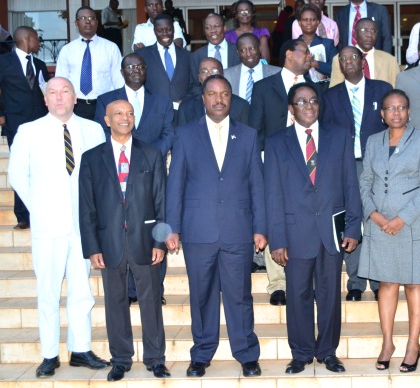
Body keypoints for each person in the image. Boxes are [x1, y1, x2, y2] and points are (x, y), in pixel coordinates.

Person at [8, 77, 109, 378]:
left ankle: (81, 349)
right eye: (53, 92)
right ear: (45, 99)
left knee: (81, 291)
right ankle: (49, 354)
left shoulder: (92, 130)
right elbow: (17, 176)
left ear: (75, 97)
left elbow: (102, 176)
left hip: (84, 227)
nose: (59, 97)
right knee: (48, 291)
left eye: (65, 91)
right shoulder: (28, 132)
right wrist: (39, 208)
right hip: (47, 225)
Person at [166, 74, 266, 378]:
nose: (219, 99)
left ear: (231, 98)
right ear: (203, 99)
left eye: (224, 94)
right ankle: (202, 354)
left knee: (240, 294)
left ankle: (246, 353)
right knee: (201, 295)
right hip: (198, 230)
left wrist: (260, 227)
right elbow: (176, 184)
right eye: (212, 94)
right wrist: (172, 227)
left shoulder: (248, 135)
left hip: (238, 229)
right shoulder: (184, 134)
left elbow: (257, 185)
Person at [264, 82, 362, 374]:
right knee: (298, 295)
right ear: (291, 109)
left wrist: (354, 228)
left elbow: (350, 185)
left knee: (330, 295)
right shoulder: (276, 142)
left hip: (331, 233)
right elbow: (273, 194)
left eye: (313, 101)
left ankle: (328, 351)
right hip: (294, 234)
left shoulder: (339, 137)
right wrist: (277, 239)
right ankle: (302, 352)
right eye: (301, 102)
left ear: (319, 105)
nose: (308, 106)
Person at [79, 100, 168, 382]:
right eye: (118, 113)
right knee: (115, 303)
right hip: (109, 243)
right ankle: (120, 359)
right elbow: (87, 207)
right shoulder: (92, 158)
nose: (125, 118)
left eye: (130, 113)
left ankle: (155, 359)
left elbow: (161, 203)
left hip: (145, 242)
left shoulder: (152, 154)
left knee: (151, 301)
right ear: (107, 120)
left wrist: (160, 242)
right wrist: (92, 247)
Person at [358, 89, 420, 372]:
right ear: (382, 114)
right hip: (380, 224)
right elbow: (365, 180)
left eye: (401, 107)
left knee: (414, 283)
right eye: (390, 108)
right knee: (388, 283)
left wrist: (401, 218)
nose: (396, 112)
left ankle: (413, 345)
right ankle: (387, 343)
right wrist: (375, 215)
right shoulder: (373, 141)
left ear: (408, 111)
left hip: (414, 223)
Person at [321, 46, 392, 301]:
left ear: (362, 61)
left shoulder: (382, 89)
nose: (348, 61)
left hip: (377, 166)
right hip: (345, 166)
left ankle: (378, 278)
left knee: (375, 220)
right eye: (343, 59)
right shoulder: (329, 96)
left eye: (353, 57)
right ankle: (356, 281)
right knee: (351, 220)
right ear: (339, 64)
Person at [249, 40, 316, 306]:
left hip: (309, 160)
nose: (310, 56)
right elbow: (256, 129)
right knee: (274, 214)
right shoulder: (264, 87)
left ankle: (305, 278)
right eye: (305, 51)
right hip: (273, 161)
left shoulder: (314, 86)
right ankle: (278, 283)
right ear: (289, 54)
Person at [0, 26, 50, 230]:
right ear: (28, 39)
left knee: (40, 168)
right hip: (16, 123)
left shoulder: (38, 63)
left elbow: (45, 90)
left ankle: (41, 211)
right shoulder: (4, 62)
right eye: (37, 39)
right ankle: (23, 215)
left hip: (40, 123)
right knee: (21, 169)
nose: (39, 44)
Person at [56, 6, 124, 120]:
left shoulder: (111, 48)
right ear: (76, 23)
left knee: (103, 137)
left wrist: (120, 105)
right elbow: (61, 81)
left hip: (104, 105)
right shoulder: (67, 50)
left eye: (91, 18)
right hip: (76, 106)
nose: (88, 21)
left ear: (97, 22)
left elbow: (118, 79)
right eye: (83, 18)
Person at [136, 14, 193, 116]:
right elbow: (138, 85)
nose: (165, 33)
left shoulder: (187, 56)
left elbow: (194, 85)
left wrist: (185, 101)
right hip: (154, 114)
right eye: (160, 30)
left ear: (174, 30)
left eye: (168, 29)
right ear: (154, 31)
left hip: (183, 114)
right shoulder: (143, 55)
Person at [329, 18, 400, 88]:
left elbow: (397, 91)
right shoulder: (340, 58)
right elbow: (335, 90)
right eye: (364, 30)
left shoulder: (390, 60)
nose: (369, 35)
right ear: (355, 34)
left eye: (373, 31)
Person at [179, 57, 250, 126]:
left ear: (222, 75)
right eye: (204, 72)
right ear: (199, 78)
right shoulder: (186, 108)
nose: (209, 75)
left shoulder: (241, 106)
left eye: (214, 71)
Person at [224, 33, 281, 102]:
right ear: (238, 52)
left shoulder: (278, 73)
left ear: (260, 48)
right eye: (243, 50)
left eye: (252, 48)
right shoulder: (227, 75)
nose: (248, 54)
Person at [296, 4, 337, 91]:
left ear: (318, 22)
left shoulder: (328, 44)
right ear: (299, 22)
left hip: (324, 91)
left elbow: (337, 68)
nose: (309, 22)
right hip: (299, 90)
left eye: (313, 19)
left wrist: (316, 64)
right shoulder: (293, 45)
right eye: (305, 20)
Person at [191, 13, 241, 79]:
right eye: (207, 28)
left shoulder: (238, 51)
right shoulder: (196, 56)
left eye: (216, 26)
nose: (212, 31)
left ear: (224, 28)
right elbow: (195, 84)